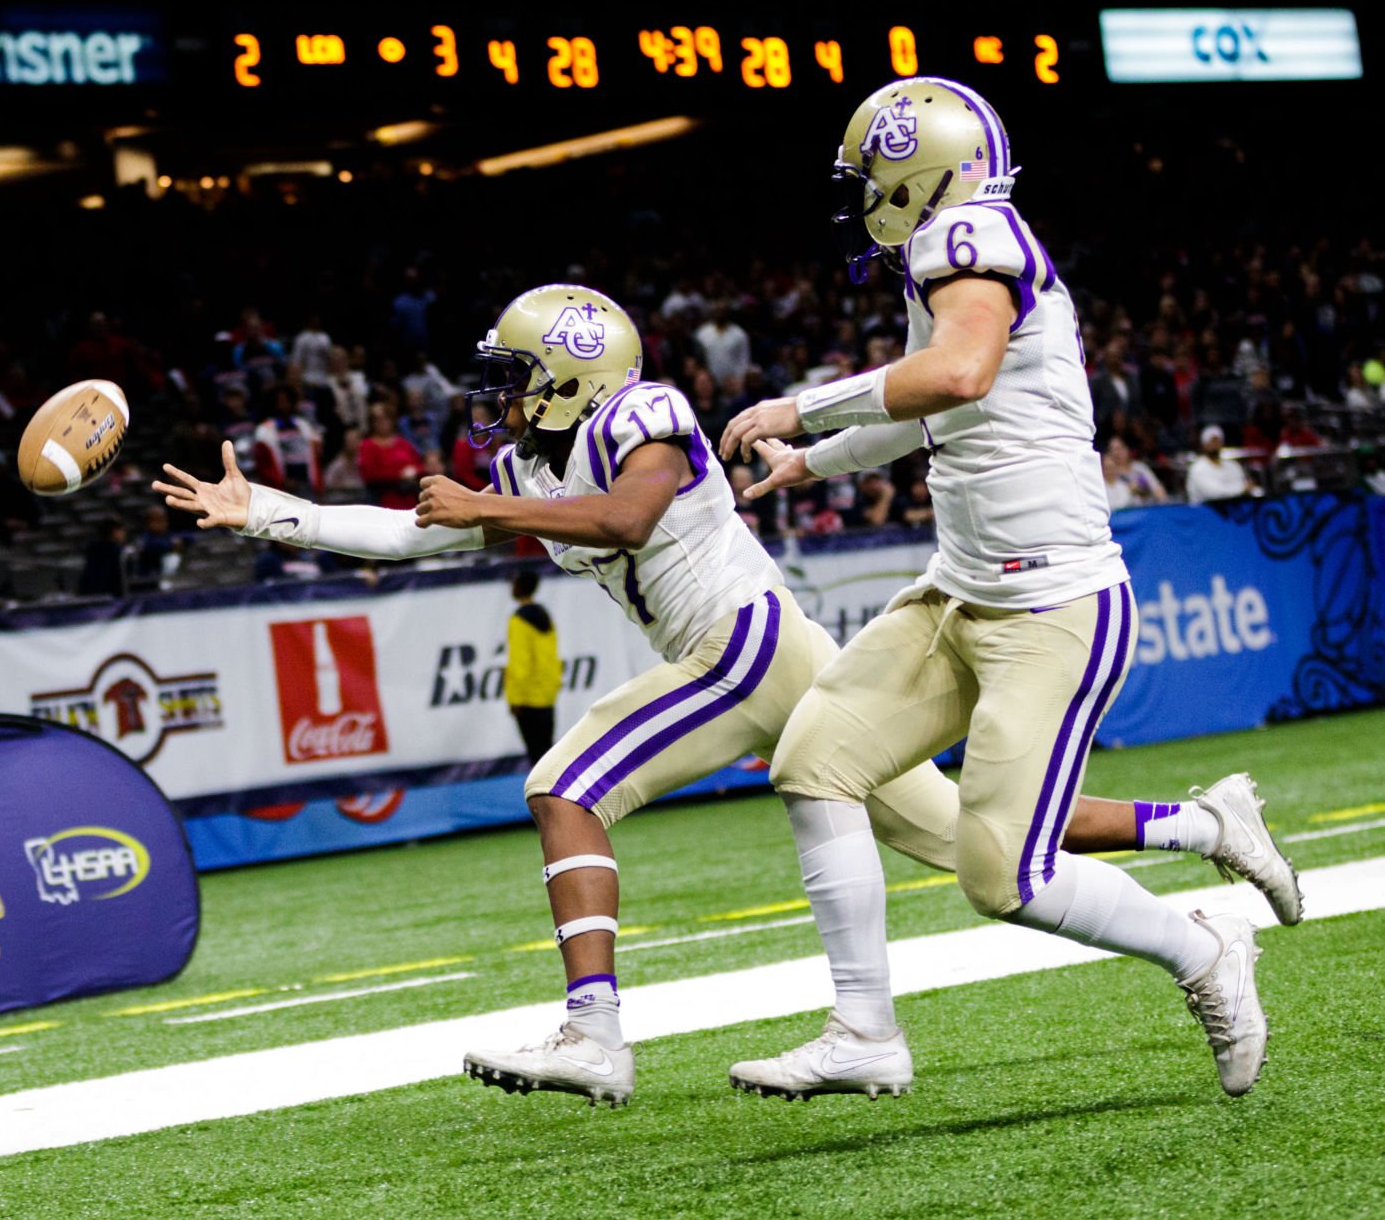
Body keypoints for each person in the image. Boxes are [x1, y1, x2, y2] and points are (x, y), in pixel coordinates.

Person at [157, 283, 1298, 1109]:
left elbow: (628, 517)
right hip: (780, 657)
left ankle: (597, 1033)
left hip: (740, 652)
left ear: (570, 377)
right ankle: (1204, 854)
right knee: (977, 844)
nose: (498, 399)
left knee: (564, 783)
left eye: (515, 377)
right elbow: (410, 532)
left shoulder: (639, 411)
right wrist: (266, 510)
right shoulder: (521, 469)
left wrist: (489, 513)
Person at [720, 77, 1278, 1101]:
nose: (863, 202)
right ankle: (864, 1031)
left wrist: (800, 410)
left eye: (874, 180)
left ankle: (1207, 951)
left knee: (1001, 874)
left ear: (922, 175)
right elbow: (936, 406)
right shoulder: (955, 252)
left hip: (1051, 607)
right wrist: (822, 458)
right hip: (961, 590)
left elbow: (959, 374)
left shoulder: (970, 231)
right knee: (813, 759)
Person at [505, 571, 560, 763]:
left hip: (528, 697)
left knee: (536, 755)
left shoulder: (519, 620)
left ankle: (543, 793)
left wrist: (516, 698)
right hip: (546, 694)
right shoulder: (545, 617)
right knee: (547, 753)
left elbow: (520, 662)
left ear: (519, 588)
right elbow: (551, 655)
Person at [1186, 425, 1253, 503]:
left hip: (1232, 509)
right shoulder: (1197, 468)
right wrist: (1241, 489)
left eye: (1218, 440)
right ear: (1204, 444)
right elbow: (1212, 493)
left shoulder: (1233, 465)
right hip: (1204, 511)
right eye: (1212, 440)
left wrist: (1244, 488)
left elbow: (1245, 485)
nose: (1216, 444)